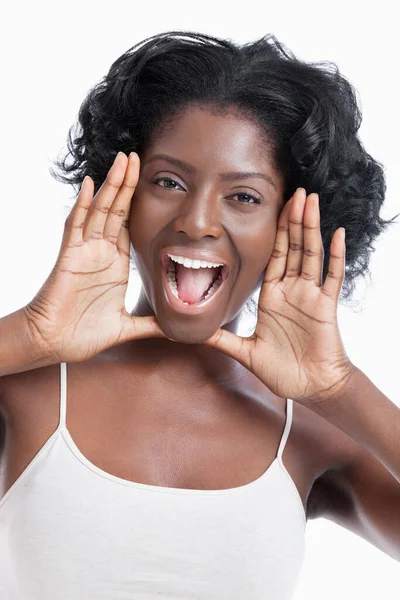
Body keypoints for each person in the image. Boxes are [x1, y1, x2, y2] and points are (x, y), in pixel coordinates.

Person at [0, 30, 399, 600]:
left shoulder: (313, 432)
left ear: (291, 227)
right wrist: (28, 336)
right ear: (124, 196)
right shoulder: (26, 392)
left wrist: (340, 389)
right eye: (168, 182)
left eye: (244, 197)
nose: (198, 221)